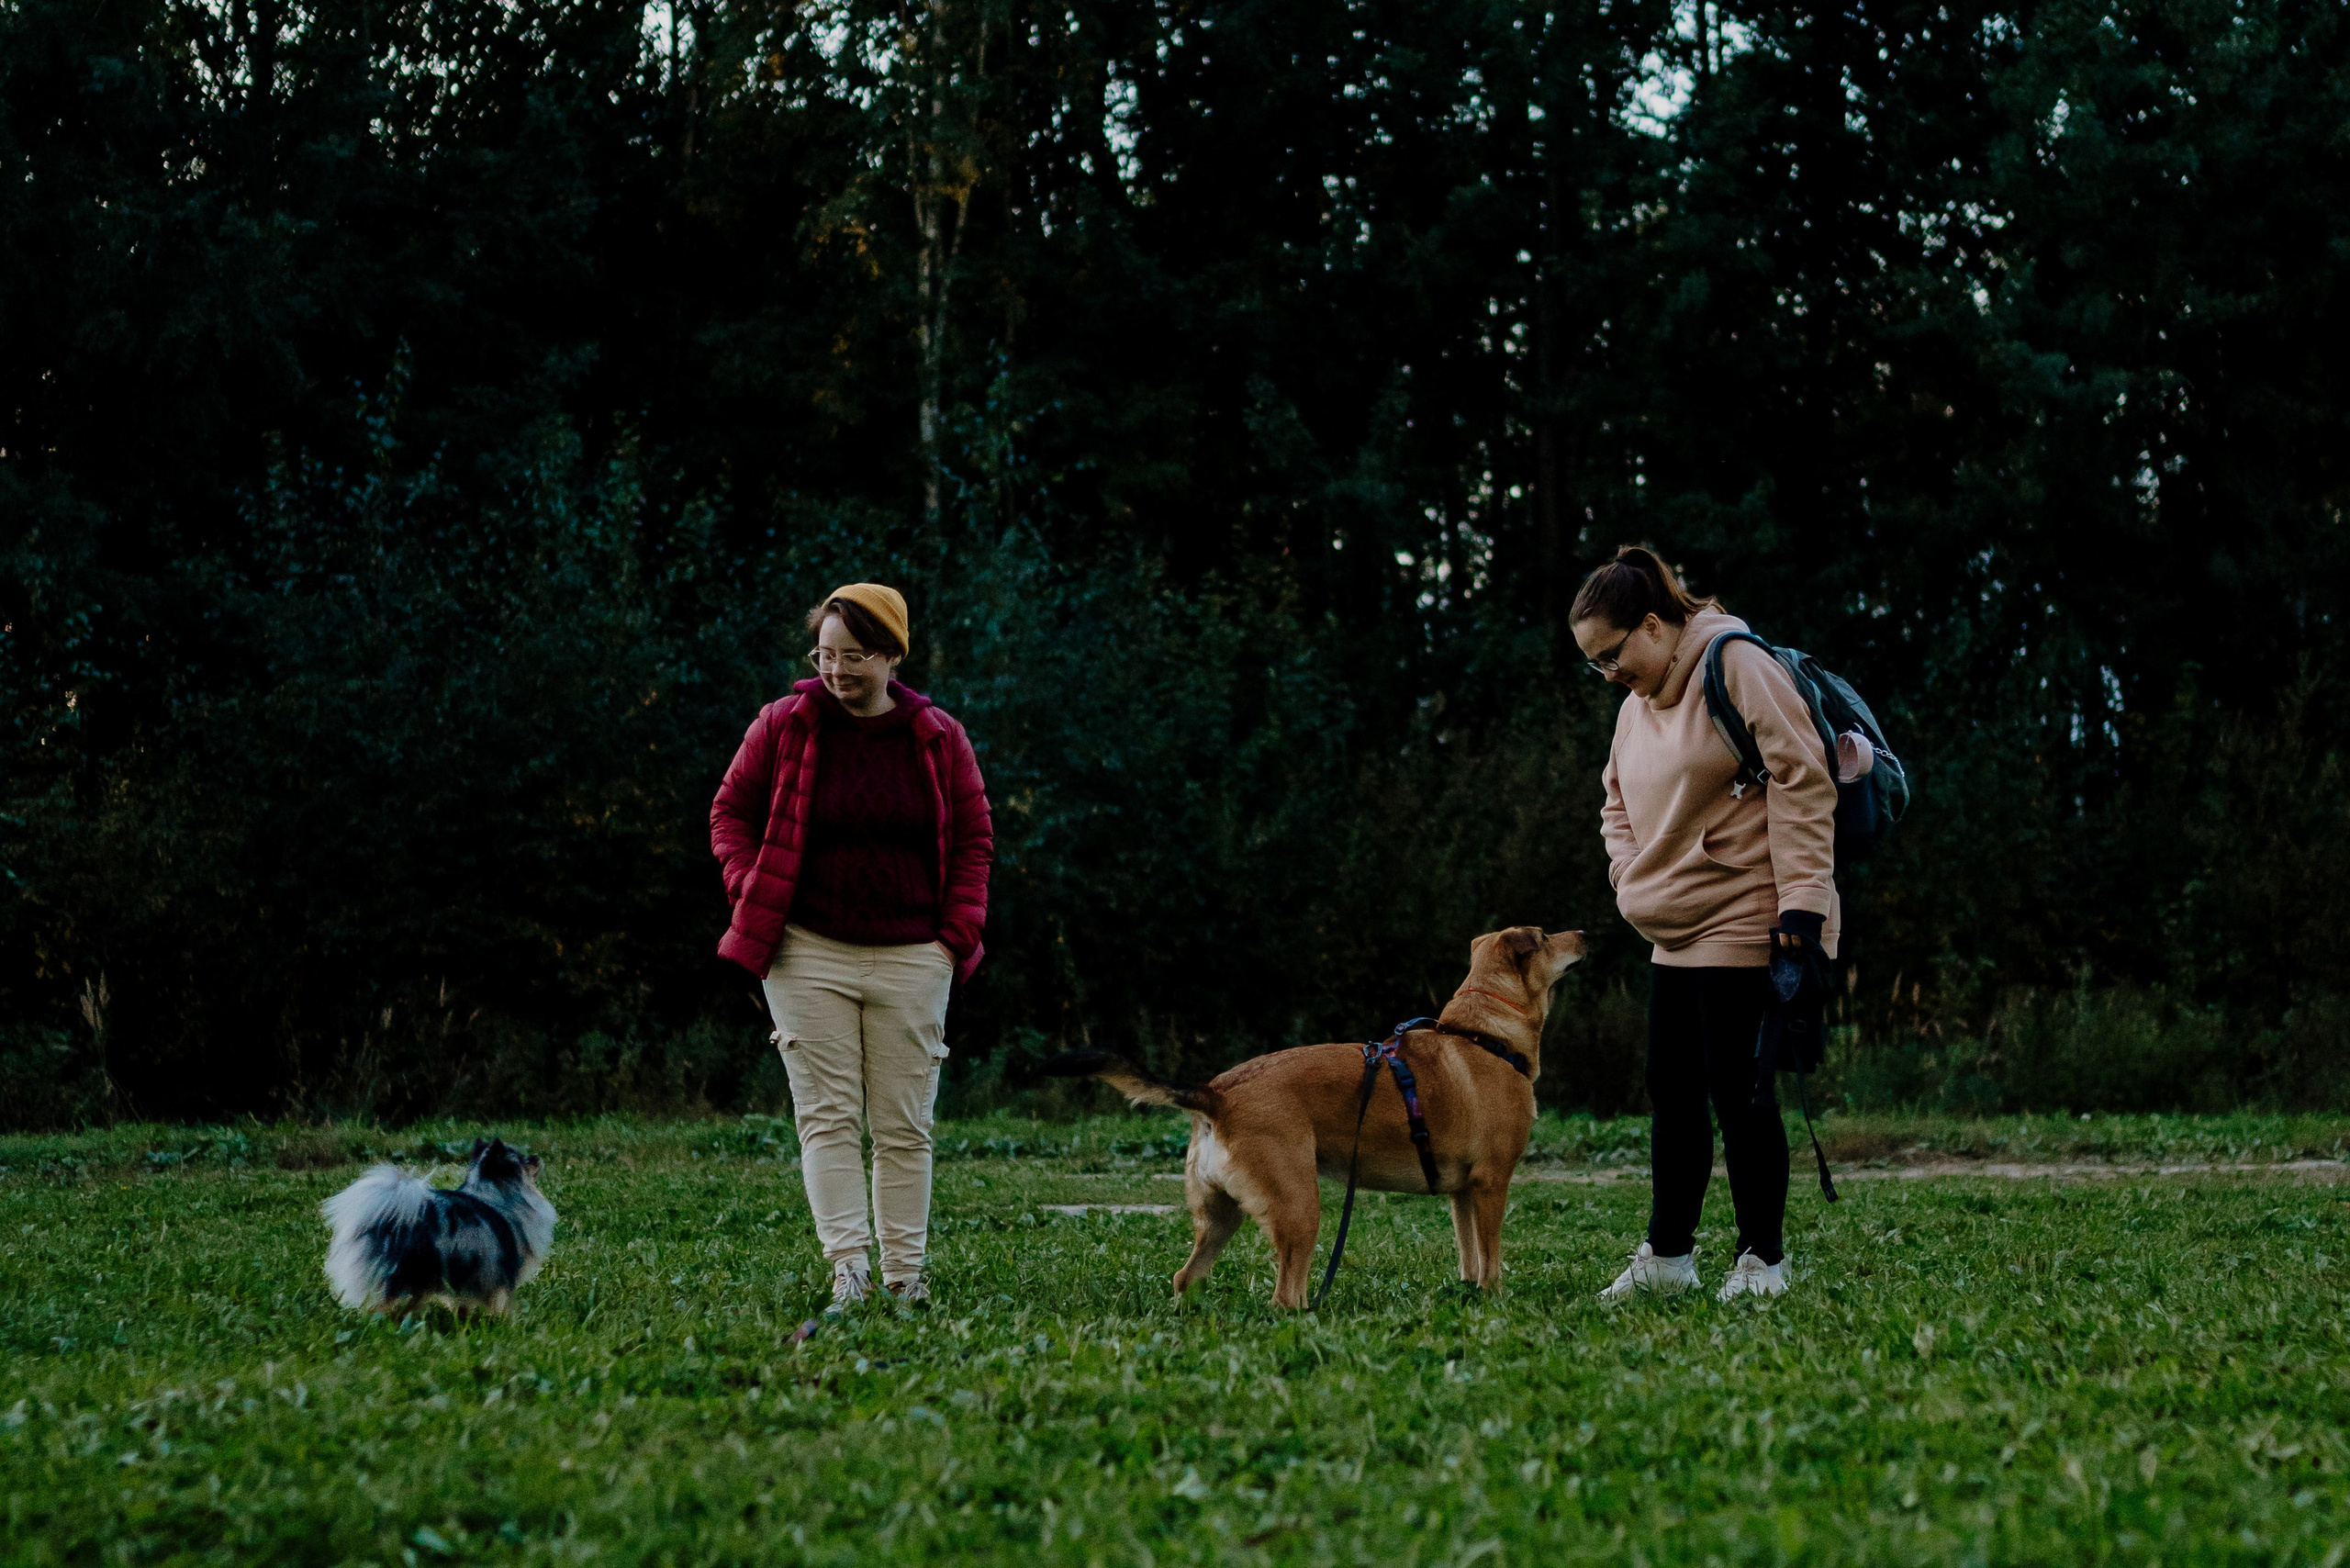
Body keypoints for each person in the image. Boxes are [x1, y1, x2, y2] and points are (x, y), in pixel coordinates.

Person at [710, 583, 992, 1315]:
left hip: (912, 954)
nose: (836, 670)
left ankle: (905, 1277)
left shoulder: (938, 736)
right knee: (827, 1118)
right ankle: (849, 1271)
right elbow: (729, 812)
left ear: (893, 655)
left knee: (904, 1125)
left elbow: (974, 842)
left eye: (854, 656)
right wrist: (750, 887)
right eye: (825, 654)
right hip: (805, 952)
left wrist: (952, 940)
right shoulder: (784, 725)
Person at [1571, 546, 1838, 1303]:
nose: (1608, 675)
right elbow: (1614, 807)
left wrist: (1804, 903)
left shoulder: (1735, 663)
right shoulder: (1633, 709)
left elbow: (1803, 776)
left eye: (1613, 656)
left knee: (1739, 1091)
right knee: (1672, 1090)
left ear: (1653, 626)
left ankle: (1763, 1260)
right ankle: (1668, 1254)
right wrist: (1630, 879)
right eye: (1594, 664)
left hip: (1751, 912)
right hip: (1671, 927)